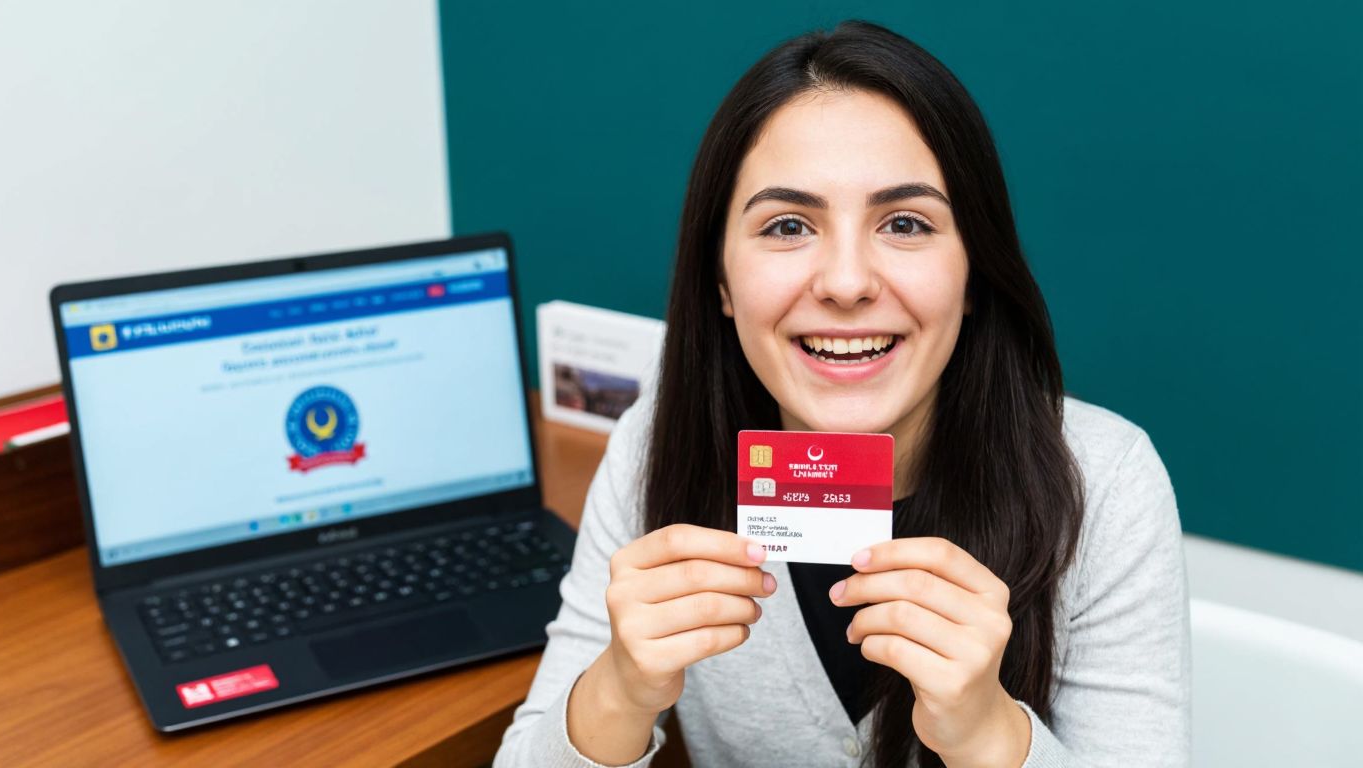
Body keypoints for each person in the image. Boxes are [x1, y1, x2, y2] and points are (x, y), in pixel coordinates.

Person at [494, 20, 1188, 768]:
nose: (848, 283)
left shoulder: (1108, 486)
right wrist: (619, 691)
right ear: (721, 280)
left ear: (975, 273)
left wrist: (988, 732)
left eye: (905, 223)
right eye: (789, 225)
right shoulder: (656, 445)